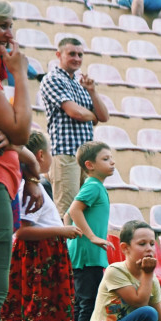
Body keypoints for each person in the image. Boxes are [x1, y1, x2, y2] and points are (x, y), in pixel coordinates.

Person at [0, 0, 47, 321]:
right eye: (0, 25)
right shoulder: (1, 74)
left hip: (7, 178)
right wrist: (20, 76)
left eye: (10, 23)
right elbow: (18, 127)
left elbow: (15, 137)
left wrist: (23, 156)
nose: (8, 33)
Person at [1, 132, 77, 321]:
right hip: (37, 258)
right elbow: (23, 232)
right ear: (40, 156)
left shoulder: (35, 185)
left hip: (47, 256)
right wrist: (63, 230)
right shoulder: (26, 187)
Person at [52, 141, 114, 321]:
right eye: (106, 159)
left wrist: (74, 238)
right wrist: (91, 237)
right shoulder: (94, 186)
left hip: (83, 252)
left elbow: (68, 215)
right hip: (90, 254)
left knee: (81, 305)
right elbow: (75, 211)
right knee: (90, 305)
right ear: (90, 165)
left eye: (111, 158)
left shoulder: (92, 185)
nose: (112, 162)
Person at [38, 37, 110, 219]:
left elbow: (104, 116)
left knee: (88, 212)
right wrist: (91, 116)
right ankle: (65, 249)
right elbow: (75, 113)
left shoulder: (81, 85)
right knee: (67, 213)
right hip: (65, 153)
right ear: (59, 55)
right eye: (71, 54)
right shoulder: (51, 79)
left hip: (86, 158)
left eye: (80, 54)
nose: (77, 58)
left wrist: (92, 91)